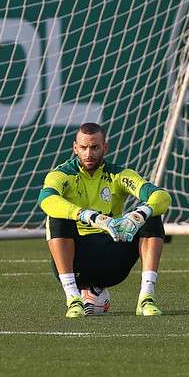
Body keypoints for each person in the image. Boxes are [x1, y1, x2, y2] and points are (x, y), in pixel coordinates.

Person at [37, 123, 172, 318]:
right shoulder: (62, 174)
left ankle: (146, 298)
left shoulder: (119, 175)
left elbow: (161, 196)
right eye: (83, 148)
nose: (88, 153)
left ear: (105, 147)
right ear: (75, 148)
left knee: (151, 216)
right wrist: (88, 215)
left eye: (94, 147)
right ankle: (74, 300)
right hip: (77, 262)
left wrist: (139, 214)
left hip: (113, 259)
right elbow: (46, 200)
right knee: (56, 216)